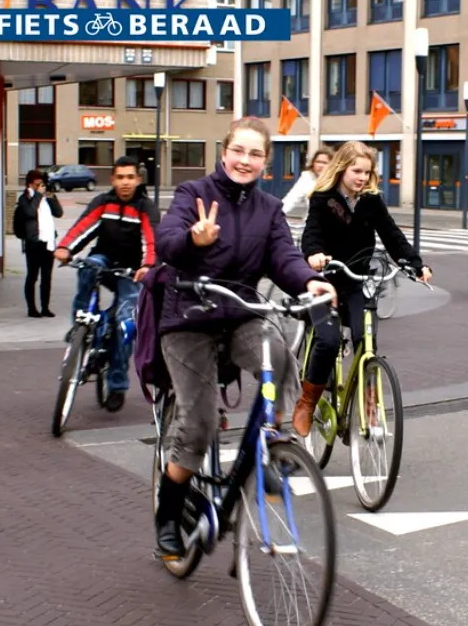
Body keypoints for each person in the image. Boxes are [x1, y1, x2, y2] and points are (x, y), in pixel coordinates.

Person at [150, 117, 337, 560]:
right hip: (189, 318)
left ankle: (276, 443)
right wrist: (195, 240)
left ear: (266, 163)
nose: (245, 161)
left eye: (255, 154)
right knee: (199, 425)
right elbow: (167, 242)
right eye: (239, 151)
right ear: (224, 151)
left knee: (276, 346)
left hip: (239, 315)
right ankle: (168, 512)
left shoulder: (269, 209)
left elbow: (284, 257)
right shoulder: (192, 194)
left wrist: (309, 282)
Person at [293, 140, 432, 437]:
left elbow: (392, 235)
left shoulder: (371, 201)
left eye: (367, 173)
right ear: (342, 167)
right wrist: (314, 254)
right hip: (326, 281)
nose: (362, 178)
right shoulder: (323, 197)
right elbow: (312, 234)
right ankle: (306, 402)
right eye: (357, 171)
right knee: (328, 342)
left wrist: (416, 264)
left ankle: (370, 408)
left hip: (357, 282)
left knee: (365, 339)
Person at [52, 156, 156, 413]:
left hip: (132, 272)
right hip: (105, 261)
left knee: (123, 328)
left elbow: (151, 241)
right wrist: (66, 247)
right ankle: (81, 321)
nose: (125, 183)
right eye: (120, 177)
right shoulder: (103, 203)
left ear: (138, 180)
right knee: (88, 266)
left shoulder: (145, 207)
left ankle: (117, 386)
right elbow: (84, 227)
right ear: (112, 179)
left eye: (130, 177)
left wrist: (147, 266)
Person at [12, 170, 63, 318]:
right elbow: (29, 212)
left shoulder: (46, 198)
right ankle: (31, 308)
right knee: (32, 276)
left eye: (42, 184)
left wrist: (52, 196)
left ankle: (45, 307)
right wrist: (39, 195)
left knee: (47, 277)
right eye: (37, 184)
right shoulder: (25, 198)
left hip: (48, 242)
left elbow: (59, 213)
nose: (40, 187)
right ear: (30, 184)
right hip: (33, 242)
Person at [281, 146, 334, 239]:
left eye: (325, 163)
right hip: (312, 228)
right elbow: (291, 199)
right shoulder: (307, 178)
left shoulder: (336, 181)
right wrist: (275, 214)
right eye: (318, 162)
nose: (320, 165)